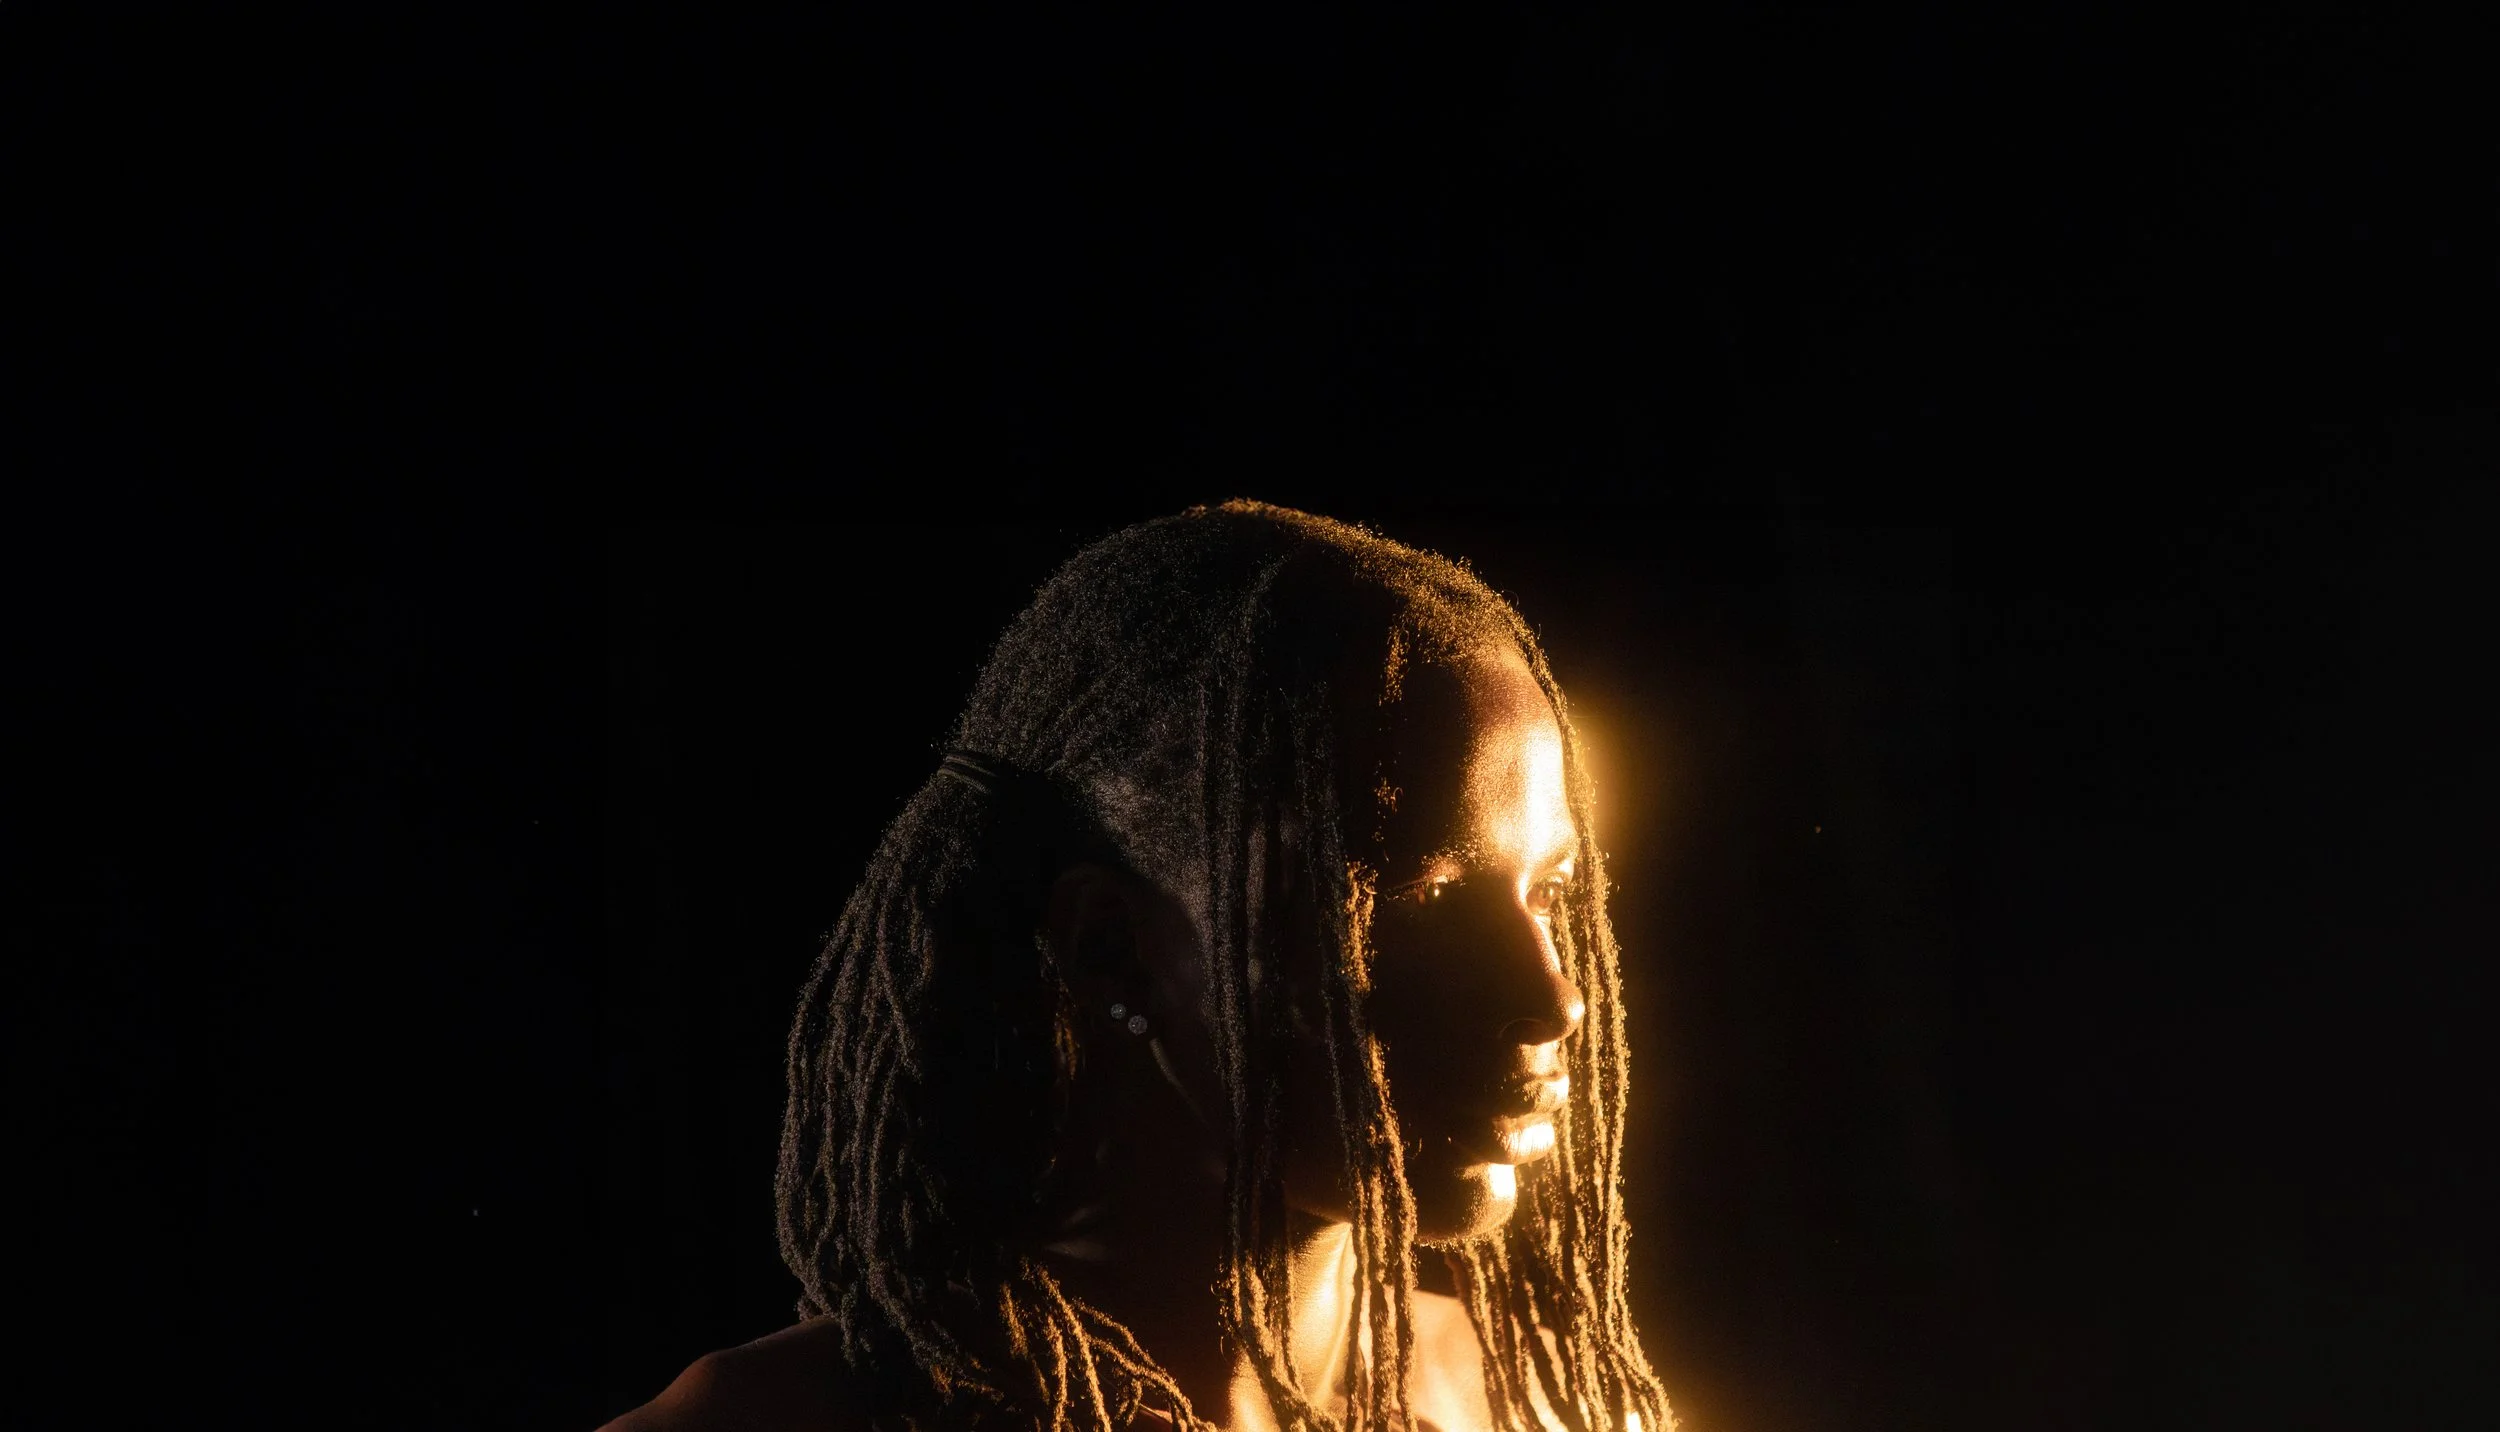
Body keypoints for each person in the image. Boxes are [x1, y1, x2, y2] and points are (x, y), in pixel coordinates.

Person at [602, 503, 1672, 1432]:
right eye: (1419, 901)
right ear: (1110, 945)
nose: (1551, 999)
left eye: (1550, 891)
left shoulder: (1545, 1401)